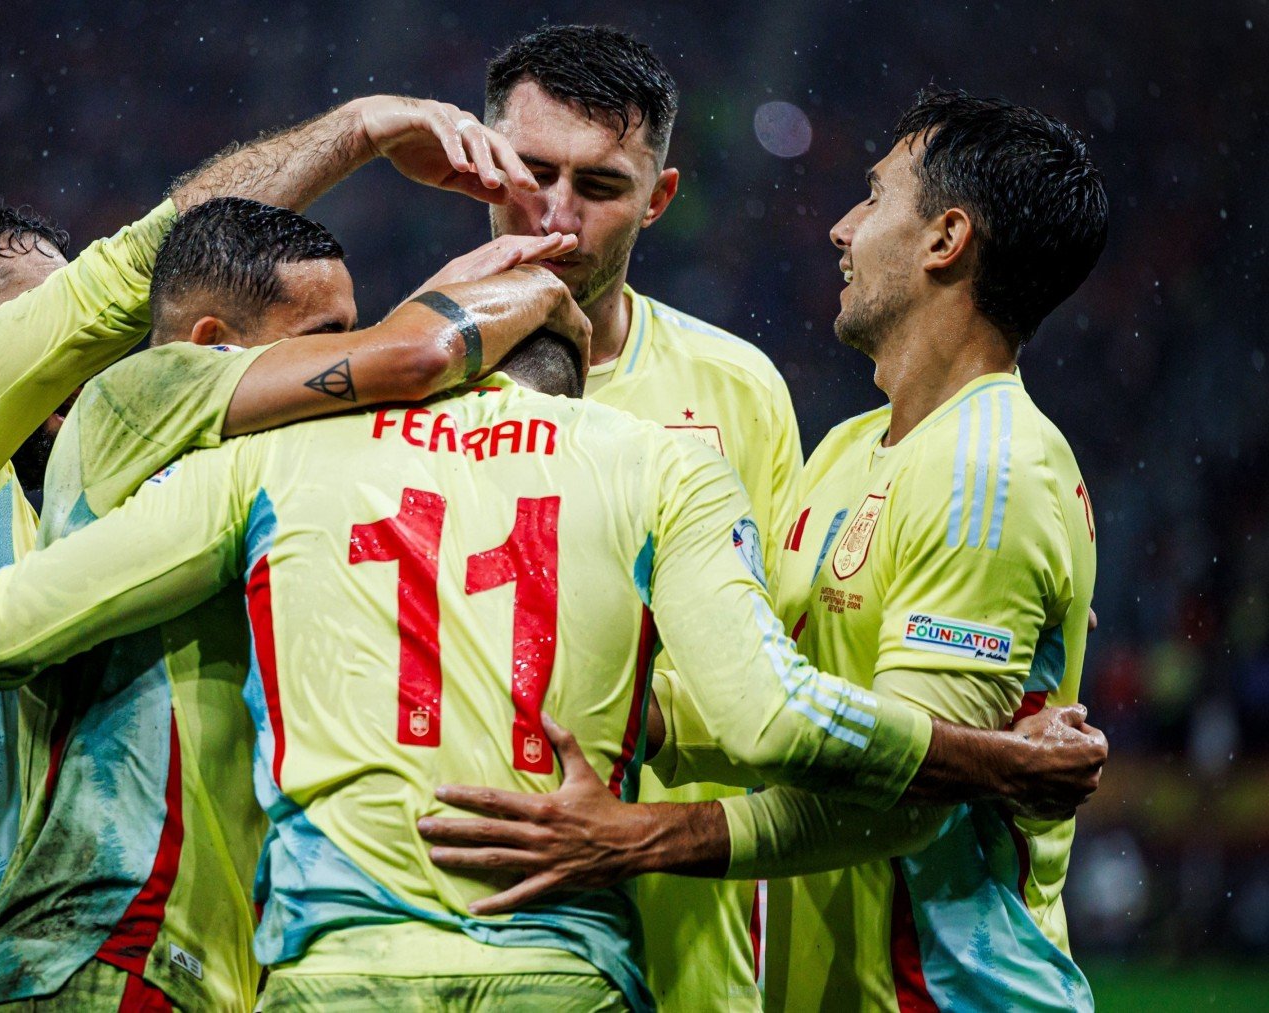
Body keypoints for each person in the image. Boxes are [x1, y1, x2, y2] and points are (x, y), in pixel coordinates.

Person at [0, 320, 1102, 1010]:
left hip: (343, 966)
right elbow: (767, 720)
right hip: (563, 966)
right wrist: (982, 758)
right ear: (575, 380)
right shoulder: (655, 461)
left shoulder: (284, 457)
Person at [0, 93, 544, 1012]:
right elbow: (147, 262)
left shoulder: (38, 517)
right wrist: (362, 129)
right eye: (41, 317)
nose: (89, 350)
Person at [418, 87, 1109, 1013]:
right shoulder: (850, 449)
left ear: (946, 239)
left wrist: (637, 835)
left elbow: (905, 803)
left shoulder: (991, 474)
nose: (839, 227)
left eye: (872, 197)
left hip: (946, 994)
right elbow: (773, 693)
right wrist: (621, 712)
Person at [0, 196, 589, 1012]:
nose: (350, 360)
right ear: (212, 348)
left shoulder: (261, 472)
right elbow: (412, 358)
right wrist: (542, 292)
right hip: (106, 945)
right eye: (329, 338)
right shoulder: (137, 393)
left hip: (196, 965)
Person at [480, 26, 802, 1009]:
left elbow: (790, 660)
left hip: (679, 949)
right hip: (432, 929)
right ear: (477, 165)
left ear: (658, 199)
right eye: (530, 172)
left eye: (602, 186)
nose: (558, 215)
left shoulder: (737, 391)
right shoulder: (379, 378)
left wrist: (637, 720)